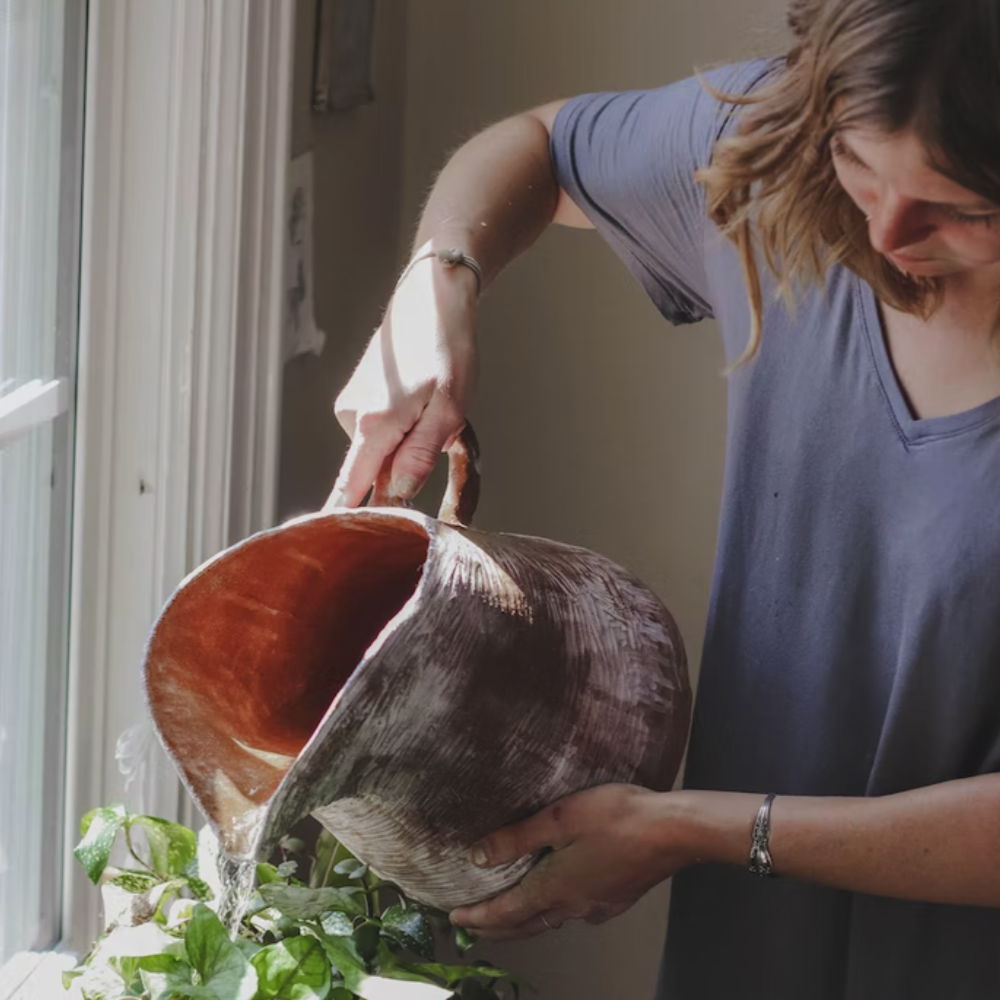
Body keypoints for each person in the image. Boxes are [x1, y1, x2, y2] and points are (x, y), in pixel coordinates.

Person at [326, 1, 1000, 996]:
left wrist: (689, 828)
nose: (888, 229)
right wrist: (440, 281)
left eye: (966, 208)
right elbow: (543, 145)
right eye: (859, 165)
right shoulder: (776, 166)